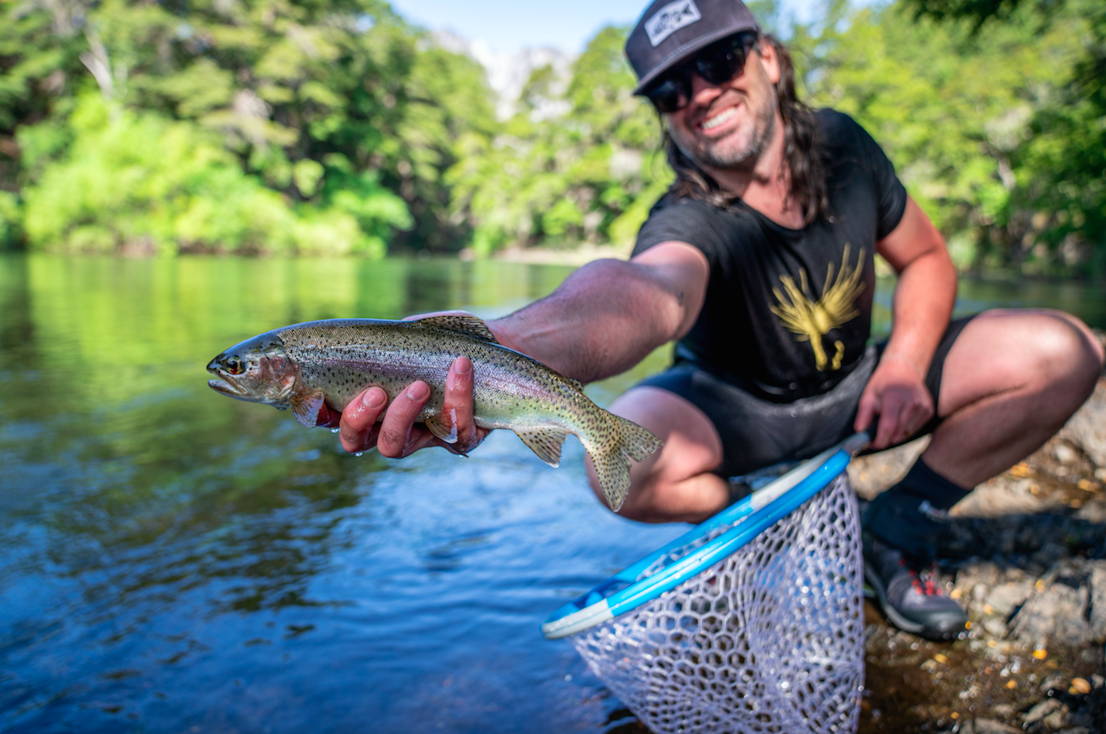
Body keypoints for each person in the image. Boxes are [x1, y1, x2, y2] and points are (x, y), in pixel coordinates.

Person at [325, 0, 1105, 640]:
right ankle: (779, 525)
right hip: (741, 412)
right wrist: (498, 350)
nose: (699, 92)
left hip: (864, 385)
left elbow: (929, 260)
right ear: (666, 117)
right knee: (612, 465)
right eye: (671, 90)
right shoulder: (687, 219)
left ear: (766, 58)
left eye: (718, 61)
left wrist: (903, 364)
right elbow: (640, 295)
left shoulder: (844, 146)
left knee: (1066, 351)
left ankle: (897, 522)